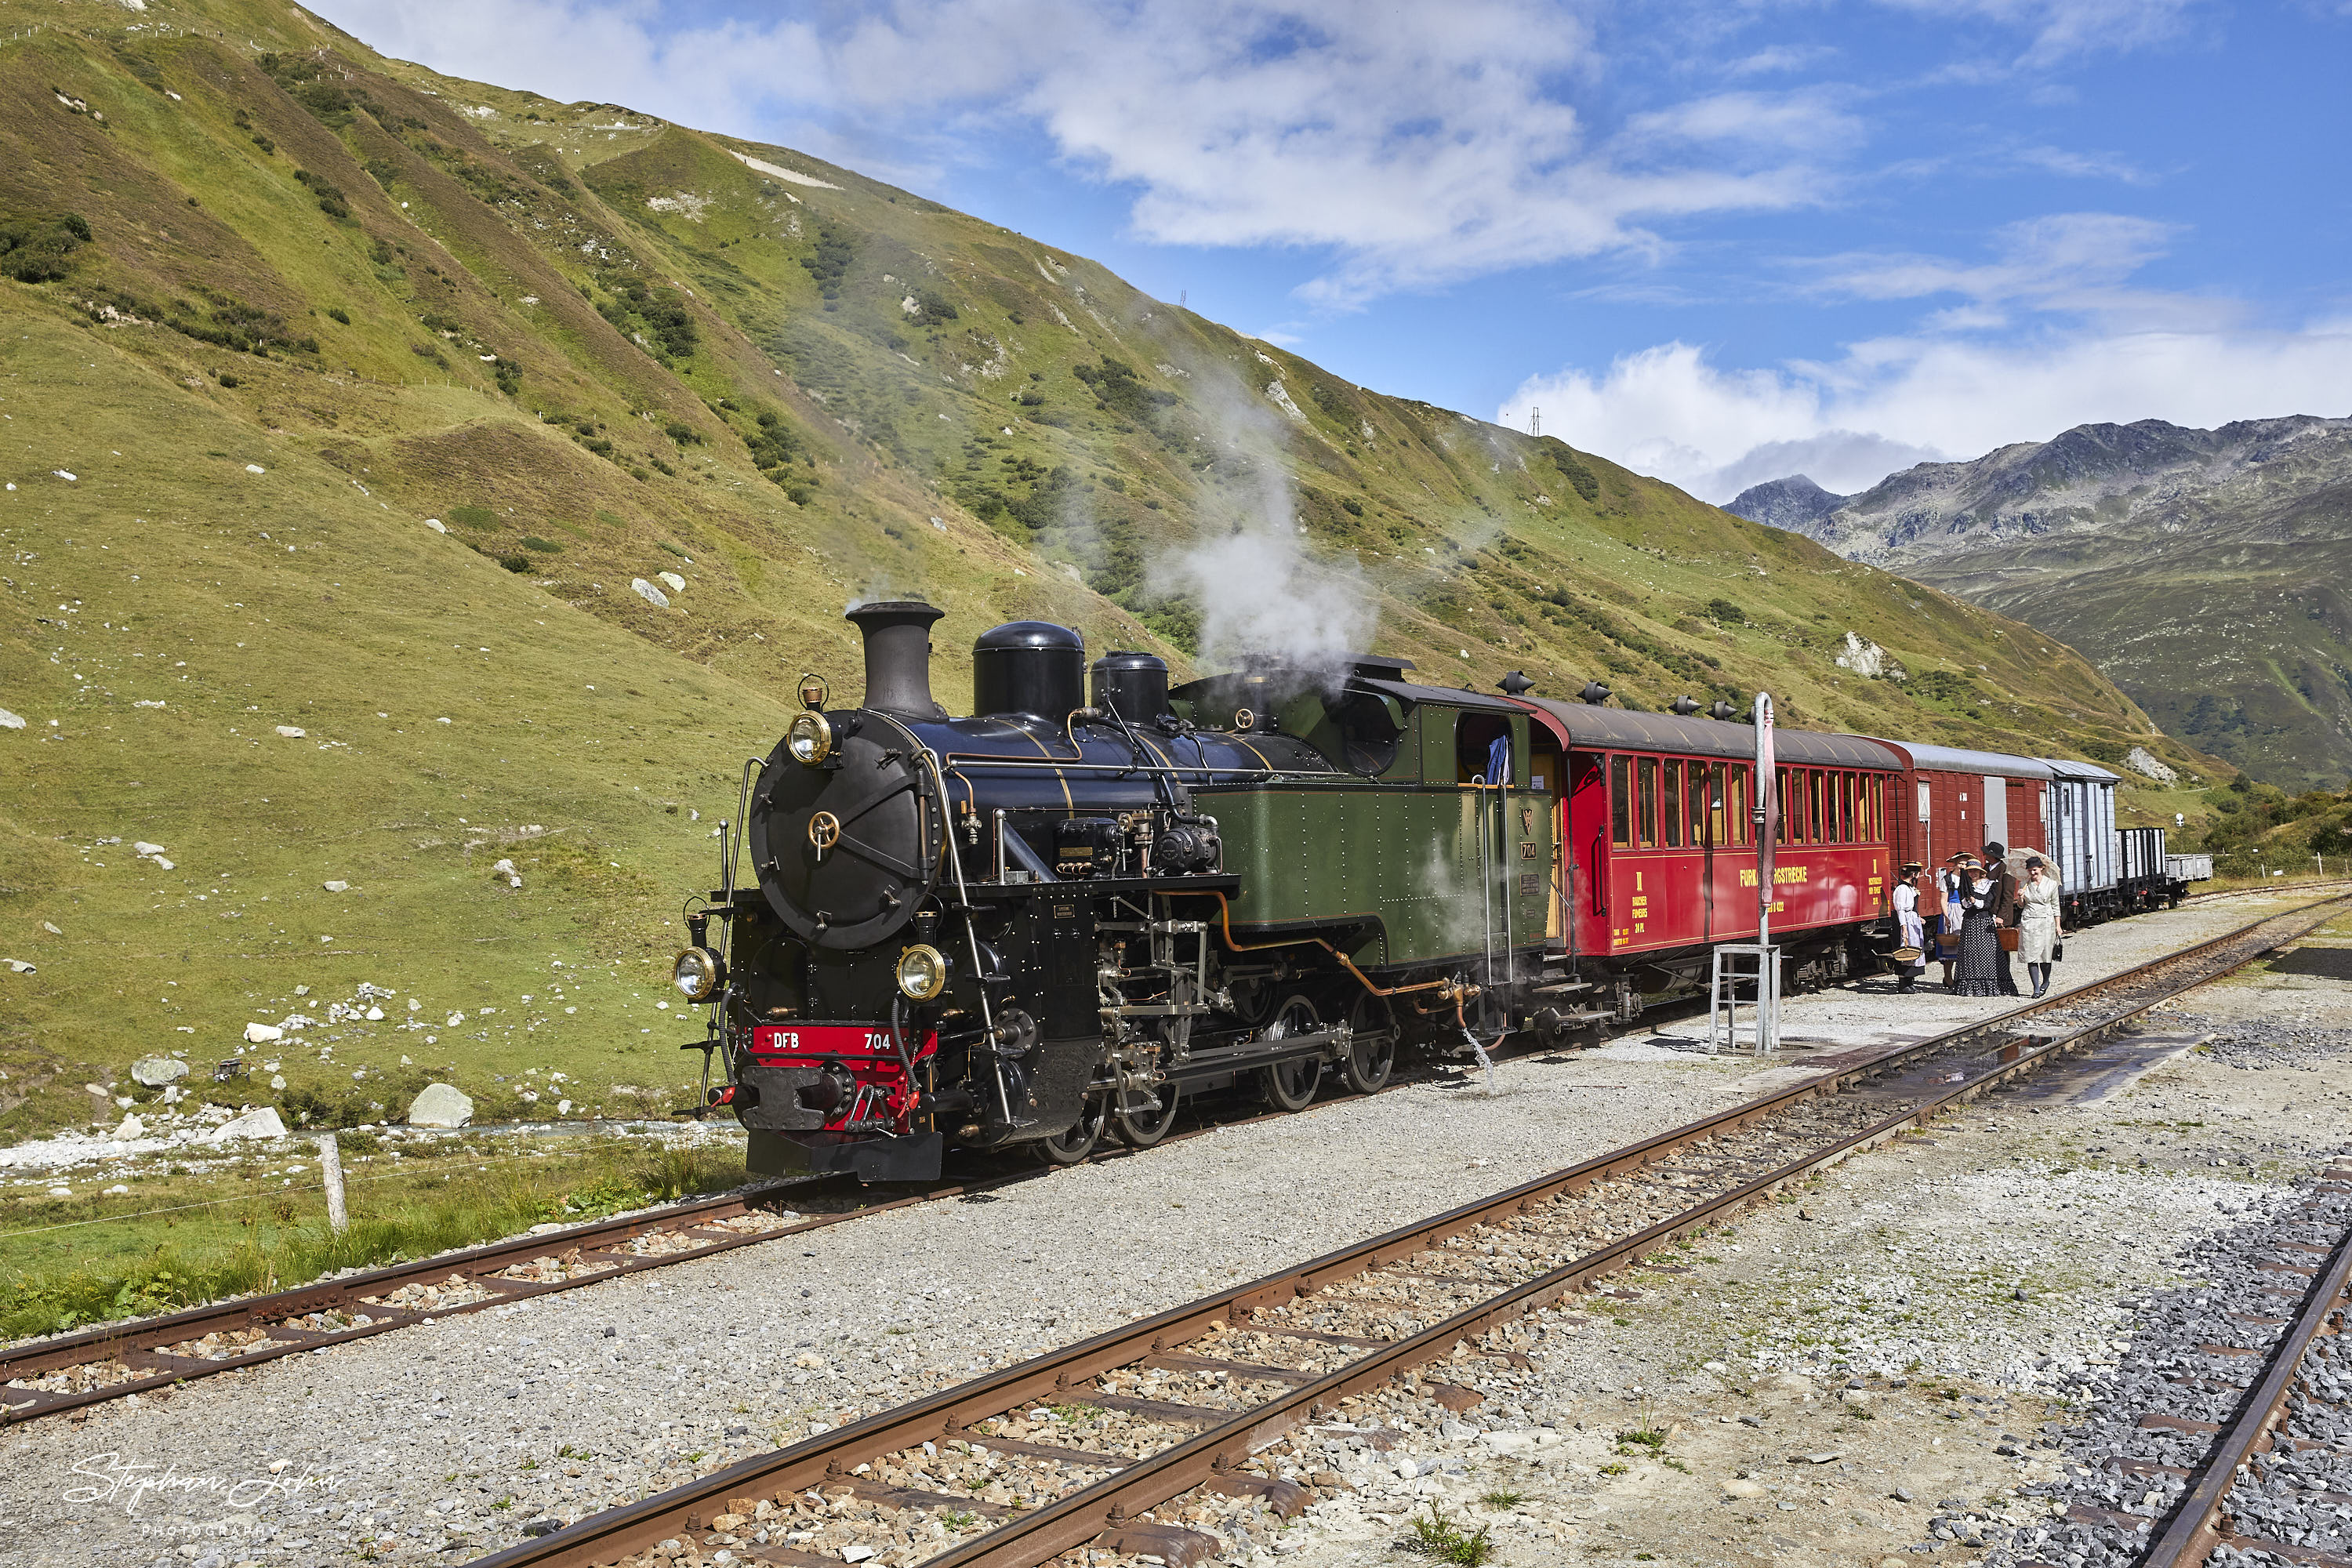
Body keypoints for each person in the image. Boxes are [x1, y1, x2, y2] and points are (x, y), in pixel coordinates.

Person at [1952, 855, 2003, 997]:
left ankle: (1987, 986)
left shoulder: (1989, 885)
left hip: (1984, 922)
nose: (1972, 874)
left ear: (1981, 872)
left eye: (1975, 871)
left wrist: (1975, 901)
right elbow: (1964, 905)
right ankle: (1970, 986)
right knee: (1969, 954)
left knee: (1986, 953)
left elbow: (1988, 904)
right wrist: (1968, 901)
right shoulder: (1965, 885)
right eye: (1970, 871)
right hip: (1970, 922)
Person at [2017, 855, 2064, 997]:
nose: (2032, 873)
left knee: (2045, 955)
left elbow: (2056, 906)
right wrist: (2020, 897)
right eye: (2030, 870)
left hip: (2046, 921)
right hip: (2029, 921)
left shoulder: (2051, 884)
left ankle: (2045, 981)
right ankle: (2036, 988)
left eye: (2035, 870)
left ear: (2042, 869)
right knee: (2030, 956)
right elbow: (2021, 906)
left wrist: (2058, 925)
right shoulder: (2024, 884)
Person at [1981, 840, 2021, 996]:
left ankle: (2004, 982)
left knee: (2001, 951)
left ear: (1993, 855)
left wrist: (2002, 916)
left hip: (1999, 915)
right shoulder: (1986, 868)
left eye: (1987, 853)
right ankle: (1991, 981)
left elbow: (2008, 895)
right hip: (1987, 912)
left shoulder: (2006, 870)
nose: (1985, 855)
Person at [1890, 862, 1926, 993]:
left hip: (1912, 919)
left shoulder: (1909, 888)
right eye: (1918, 874)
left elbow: (1912, 907)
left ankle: (1910, 982)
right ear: (1913, 874)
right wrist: (1903, 927)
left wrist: (1918, 917)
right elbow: (1900, 909)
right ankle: (1903, 984)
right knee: (1905, 949)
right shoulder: (1902, 889)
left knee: (1913, 949)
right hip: (1905, 921)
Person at [1937, 858, 1967, 989]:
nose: (1963, 866)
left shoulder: (1969, 879)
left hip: (1964, 910)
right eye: (1961, 863)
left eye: (1965, 864)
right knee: (1950, 945)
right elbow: (1943, 899)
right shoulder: (1947, 879)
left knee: (1964, 946)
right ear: (1955, 864)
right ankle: (1948, 978)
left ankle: (1962, 977)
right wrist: (1946, 916)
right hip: (1952, 911)